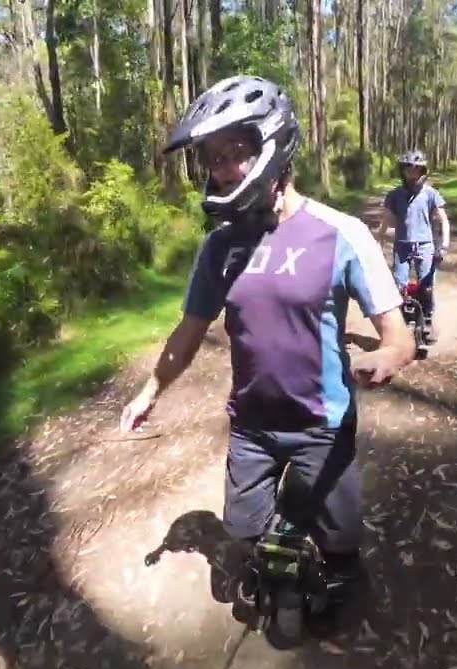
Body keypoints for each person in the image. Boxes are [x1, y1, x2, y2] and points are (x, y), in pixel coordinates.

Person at [119, 75, 416, 606]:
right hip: (251, 429)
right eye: (213, 158)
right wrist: (149, 391)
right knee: (246, 543)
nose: (224, 168)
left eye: (236, 151)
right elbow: (187, 334)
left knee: (341, 552)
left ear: (273, 146)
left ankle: (336, 584)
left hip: (322, 426)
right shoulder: (219, 248)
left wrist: (387, 357)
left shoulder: (340, 233)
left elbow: (399, 336)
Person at [376, 150, 451, 344]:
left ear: (423, 171)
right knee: (399, 287)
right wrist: (378, 240)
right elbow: (386, 220)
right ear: (403, 171)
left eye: (416, 169)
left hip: (425, 246)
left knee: (426, 287)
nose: (412, 173)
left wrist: (444, 245)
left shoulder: (431, 194)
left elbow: (443, 220)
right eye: (408, 169)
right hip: (401, 246)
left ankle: (427, 319)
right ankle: (401, 323)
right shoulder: (395, 195)